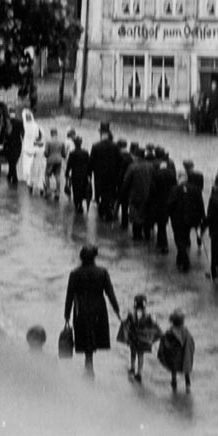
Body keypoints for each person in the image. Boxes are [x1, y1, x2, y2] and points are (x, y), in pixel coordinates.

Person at [63, 244, 120, 379]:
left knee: (85, 336)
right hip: (98, 308)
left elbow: (69, 295)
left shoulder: (75, 273)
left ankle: (88, 365)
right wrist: (117, 309)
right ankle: (89, 364)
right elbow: (110, 292)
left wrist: (67, 314)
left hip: (81, 308)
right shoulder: (102, 272)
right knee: (94, 335)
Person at [166, 170, 206, 273]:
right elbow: (200, 205)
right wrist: (202, 218)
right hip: (191, 219)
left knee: (179, 240)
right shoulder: (196, 189)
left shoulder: (174, 189)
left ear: (179, 179)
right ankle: (180, 260)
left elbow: (170, 204)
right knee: (185, 236)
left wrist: (169, 215)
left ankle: (184, 261)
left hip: (177, 219)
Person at [117, 294, 162, 383]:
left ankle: (133, 367)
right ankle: (139, 373)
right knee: (140, 355)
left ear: (135, 304)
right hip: (143, 338)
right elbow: (155, 323)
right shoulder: (149, 315)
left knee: (133, 352)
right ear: (145, 305)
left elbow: (124, 322)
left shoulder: (131, 314)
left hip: (133, 337)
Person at [157, 307, 194, 393]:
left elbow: (164, 342)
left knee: (173, 370)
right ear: (182, 321)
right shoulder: (186, 332)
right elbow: (191, 343)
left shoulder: (170, 332)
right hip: (184, 356)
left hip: (174, 356)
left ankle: (174, 385)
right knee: (186, 370)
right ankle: (187, 385)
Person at [65, 135, 92, 213]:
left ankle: (77, 204)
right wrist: (89, 174)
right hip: (84, 174)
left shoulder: (72, 153)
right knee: (83, 189)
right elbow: (89, 164)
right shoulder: (86, 152)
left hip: (75, 174)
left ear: (74, 143)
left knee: (76, 190)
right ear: (81, 143)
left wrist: (66, 173)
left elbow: (69, 165)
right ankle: (81, 203)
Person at [17, 110, 41, 188]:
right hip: (33, 146)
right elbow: (38, 136)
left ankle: (27, 177)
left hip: (26, 146)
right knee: (32, 163)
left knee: (26, 163)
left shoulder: (24, 125)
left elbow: (21, 135)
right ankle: (31, 178)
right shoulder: (35, 125)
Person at [42, 127, 65, 201]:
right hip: (59, 160)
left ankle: (48, 190)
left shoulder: (48, 142)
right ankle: (58, 192)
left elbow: (46, 153)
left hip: (50, 161)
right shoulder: (61, 142)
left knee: (47, 175)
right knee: (57, 176)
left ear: (51, 134)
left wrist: (46, 155)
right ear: (57, 133)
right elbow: (64, 154)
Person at [3, 110, 23, 186]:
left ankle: (14, 176)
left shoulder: (7, 122)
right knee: (14, 160)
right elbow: (22, 133)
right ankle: (11, 174)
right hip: (18, 143)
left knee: (11, 160)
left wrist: (1, 143)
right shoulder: (20, 122)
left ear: (9, 114)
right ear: (15, 113)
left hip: (9, 143)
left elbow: (4, 132)